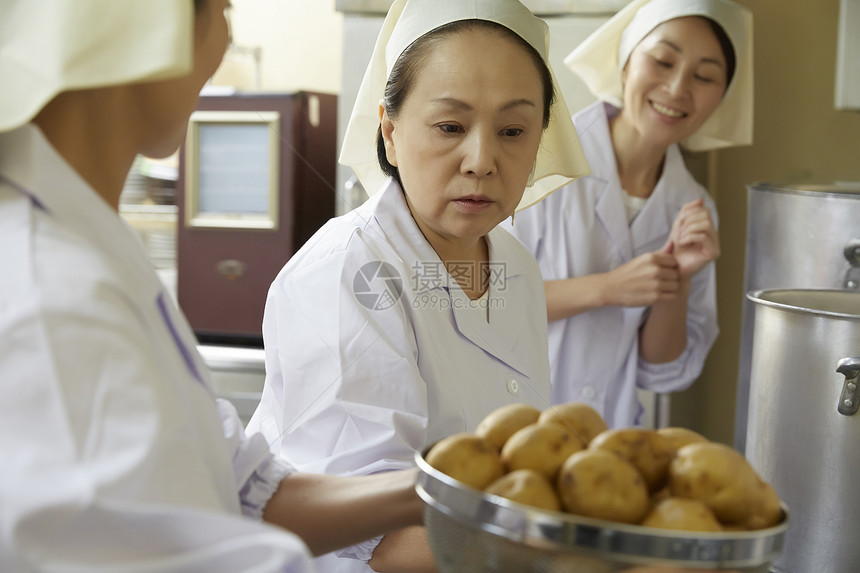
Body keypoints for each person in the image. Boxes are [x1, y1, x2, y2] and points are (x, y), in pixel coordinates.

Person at [0, 1, 426, 571]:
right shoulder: (55, 299)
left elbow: (241, 494)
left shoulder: (91, 246)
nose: (224, 44)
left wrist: (448, 488)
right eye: (222, 9)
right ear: (152, 25)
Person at [244, 0, 590, 570]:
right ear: (390, 127)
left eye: (513, 130)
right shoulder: (347, 272)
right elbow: (368, 537)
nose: (481, 160)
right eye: (450, 126)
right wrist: (582, 542)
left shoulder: (514, 264)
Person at [503, 0, 753, 429]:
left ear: (722, 96)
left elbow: (660, 367)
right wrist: (607, 288)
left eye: (705, 76)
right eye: (662, 60)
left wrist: (678, 280)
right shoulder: (544, 161)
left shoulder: (692, 206)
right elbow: (485, 299)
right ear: (625, 63)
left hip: (611, 440)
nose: (677, 88)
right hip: (510, 423)